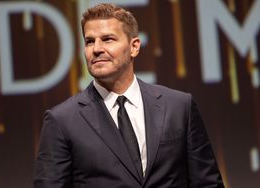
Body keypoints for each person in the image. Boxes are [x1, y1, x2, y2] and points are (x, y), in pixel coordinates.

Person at [34, 3, 224, 188]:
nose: (96, 49)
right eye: (89, 41)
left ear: (134, 47)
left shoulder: (179, 106)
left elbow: (207, 182)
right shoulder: (62, 120)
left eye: (107, 39)